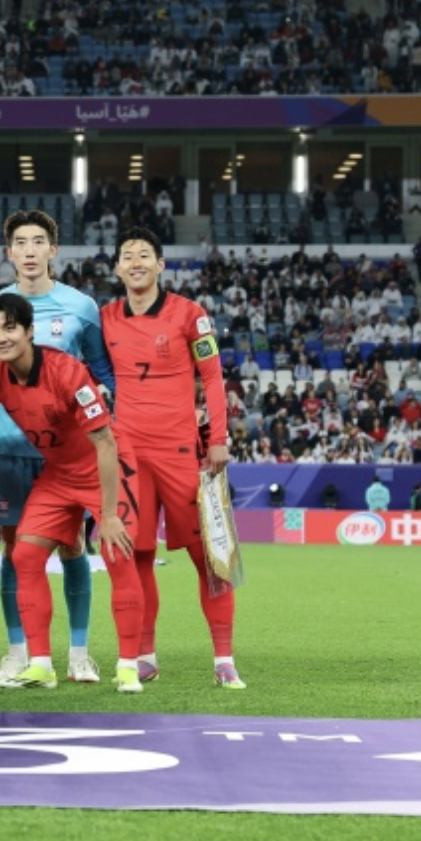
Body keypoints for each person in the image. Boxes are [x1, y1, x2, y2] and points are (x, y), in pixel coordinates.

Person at [0, 294, 143, 691]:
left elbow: (105, 442)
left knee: (118, 554)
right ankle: (41, 664)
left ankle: (128, 667)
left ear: (30, 331)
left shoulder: (67, 372)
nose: (0, 338)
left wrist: (109, 515)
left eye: (9, 328)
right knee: (25, 555)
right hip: (60, 474)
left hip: (105, 467)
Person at [101, 226, 244, 689]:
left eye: (145, 254)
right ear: (117, 267)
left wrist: (218, 437)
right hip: (129, 457)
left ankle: (224, 659)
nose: (136, 262)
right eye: (128, 255)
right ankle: (145, 656)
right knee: (137, 556)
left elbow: (214, 378)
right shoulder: (105, 318)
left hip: (183, 454)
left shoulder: (190, 315)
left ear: (161, 265)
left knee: (210, 557)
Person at [0, 209, 116, 686]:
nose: (30, 251)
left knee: (73, 545)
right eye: (21, 242)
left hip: (68, 455)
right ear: (9, 252)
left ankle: (79, 654)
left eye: (39, 241)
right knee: (15, 549)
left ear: (53, 250)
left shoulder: (81, 306)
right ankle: (18, 651)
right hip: (11, 447)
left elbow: (103, 371)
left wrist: (108, 410)